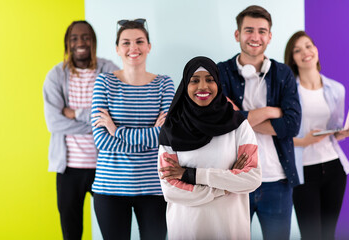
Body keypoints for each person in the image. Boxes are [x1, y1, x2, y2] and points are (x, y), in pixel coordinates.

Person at [217, 5, 302, 240]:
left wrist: (240, 117)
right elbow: (220, 123)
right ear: (237, 34)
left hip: (277, 180)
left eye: (262, 31)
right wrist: (271, 111)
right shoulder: (219, 72)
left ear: (270, 36)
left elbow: (292, 126)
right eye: (249, 30)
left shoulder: (283, 73)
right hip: (233, 179)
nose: (255, 37)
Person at [158, 56, 261, 240]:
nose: (203, 87)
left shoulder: (238, 125)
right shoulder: (171, 130)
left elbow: (252, 178)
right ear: (185, 86)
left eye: (210, 80)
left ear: (218, 84)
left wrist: (191, 175)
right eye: (194, 81)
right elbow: (171, 190)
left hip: (230, 230)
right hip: (187, 230)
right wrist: (224, 188)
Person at [90, 19, 175, 240]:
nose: (133, 48)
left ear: (149, 46)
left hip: (155, 189)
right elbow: (101, 141)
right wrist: (151, 136)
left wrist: (116, 130)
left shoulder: (164, 84)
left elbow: (167, 137)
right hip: (109, 189)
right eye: (126, 42)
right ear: (118, 49)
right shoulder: (104, 83)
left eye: (139, 41)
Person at [43, 20, 118, 240]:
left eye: (85, 37)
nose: (80, 42)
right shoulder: (55, 76)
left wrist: (76, 113)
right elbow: (54, 123)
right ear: (67, 43)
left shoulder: (110, 70)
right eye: (74, 38)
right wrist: (98, 122)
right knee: (71, 233)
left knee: (113, 230)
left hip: (105, 166)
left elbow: (119, 114)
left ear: (93, 41)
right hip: (69, 170)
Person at [284, 30, 349, 240]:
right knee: (311, 236)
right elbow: (279, 137)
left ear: (315, 50)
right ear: (293, 58)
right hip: (304, 171)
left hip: (334, 168)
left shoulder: (336, 89)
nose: (305, 52)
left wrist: (345, 132)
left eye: (308, 46)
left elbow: (334, 132)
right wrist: (304, 141)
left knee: (328, 235)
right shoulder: (288, 92)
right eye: (297, 50)